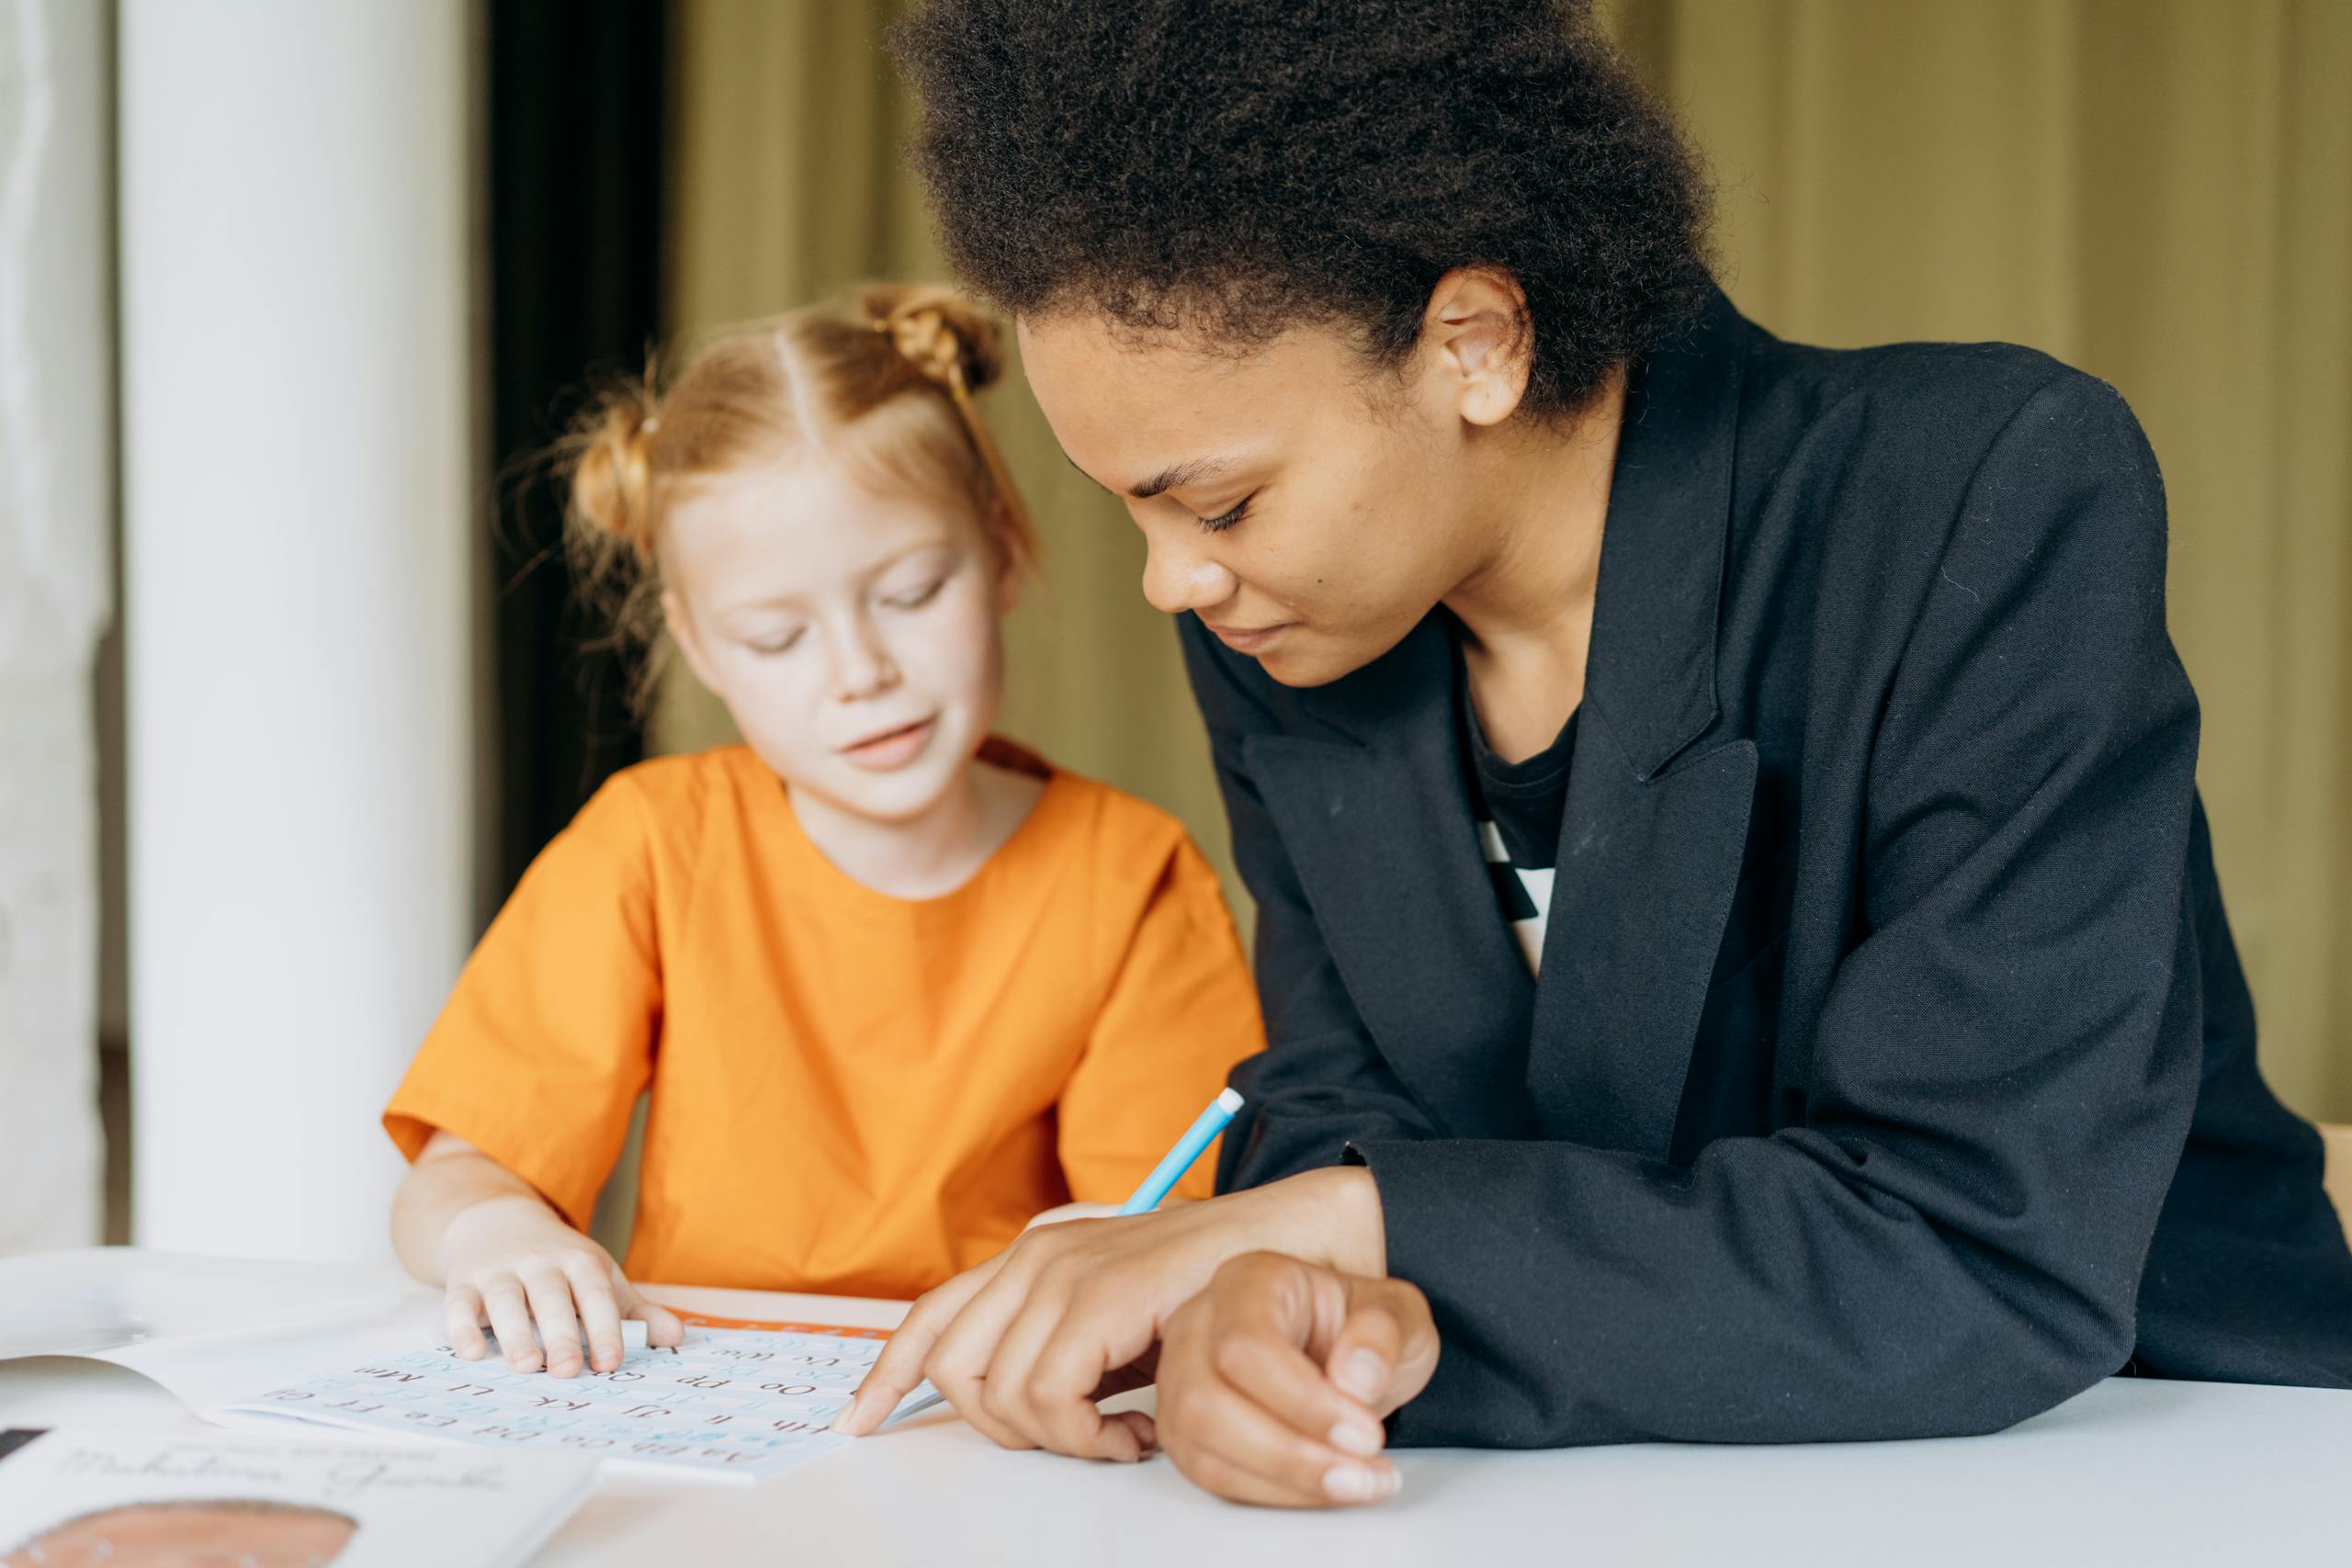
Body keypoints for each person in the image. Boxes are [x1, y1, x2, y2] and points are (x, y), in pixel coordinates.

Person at [836, 0, 2352, 1507]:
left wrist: (1324, 1231)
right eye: (1135, 510)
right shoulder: (1291, 625)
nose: (1172, 580)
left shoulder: (1974, 494)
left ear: (1473, 344)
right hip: (1596, 1489)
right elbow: (1334, 1101)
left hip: (2150, 1454)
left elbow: (1977, 1239)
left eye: (1219, 505)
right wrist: (1262, 1310)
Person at [383, 288, 1262, 1381]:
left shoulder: (1128, 875)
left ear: (1001, 551)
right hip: (700, 1408)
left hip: (985, 1419)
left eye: (909, 592)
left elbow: (1166, 1231)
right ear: (701, 646)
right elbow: (453, 1177)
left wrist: (1117, 1247)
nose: (861, 675)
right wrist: (495, 1232)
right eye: (778, 635)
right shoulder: (652, 847)